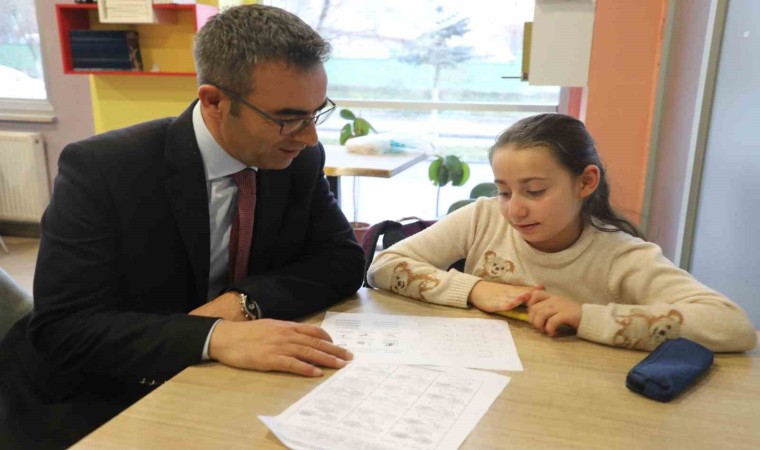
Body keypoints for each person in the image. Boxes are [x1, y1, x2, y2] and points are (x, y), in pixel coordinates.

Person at [0, 5, 364, 448]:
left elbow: (342, 260)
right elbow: (64, 329)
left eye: (315, 114)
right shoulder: (103, 169)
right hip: (94, 396)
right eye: (287, 119)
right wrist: (214, 336)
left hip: (215, 380)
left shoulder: (297, 159)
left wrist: (243, 303)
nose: (309, 137)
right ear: (214, 102)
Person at [368, 113, 757, 353]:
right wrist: (474, 289)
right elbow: (384, 266)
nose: (515, 209)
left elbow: (731, 325)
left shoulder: (620, 255)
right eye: (504, 191)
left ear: (585, 182)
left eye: (535, 191)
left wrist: (587, 317)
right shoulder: (483, 217)